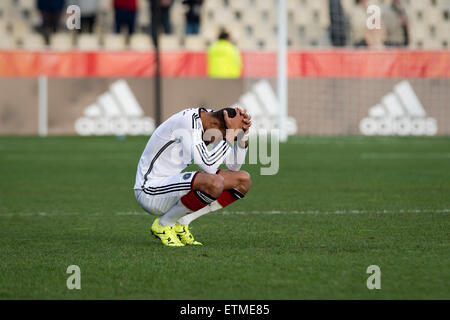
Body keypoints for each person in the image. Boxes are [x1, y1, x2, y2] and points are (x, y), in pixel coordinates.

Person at [134, 107, 252, 247]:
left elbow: (233, 166)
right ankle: (163, 224)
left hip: (171, 186)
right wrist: (230, 135)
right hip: (149, 191)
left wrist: (242, 135)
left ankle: (181, 222)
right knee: (214, 182)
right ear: (216, 126)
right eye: (223, 136)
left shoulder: (211, 121)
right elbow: (209, 167)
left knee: (242, 180)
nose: (220, 142)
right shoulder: (187, 124)